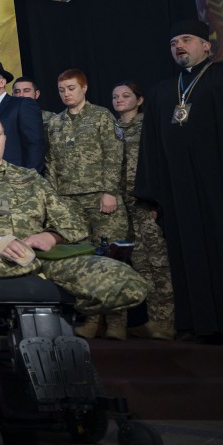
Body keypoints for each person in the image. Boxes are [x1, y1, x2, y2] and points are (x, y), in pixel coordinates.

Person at [0, 111, 147, 318]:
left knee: (128, 284)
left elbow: (74, 222)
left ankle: (70, 312)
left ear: (4, 139)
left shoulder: (30, 177)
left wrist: (50, 237)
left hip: (41, 258)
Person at [135, 20, 223, 343]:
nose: (179, 46)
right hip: (180, 195)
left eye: (186, 40)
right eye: (174, 42)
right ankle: (200, 325)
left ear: (206, 46)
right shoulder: (162, 92)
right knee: (189, 257)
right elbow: (151, 149)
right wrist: (155, 198)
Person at [45, 69, 129, 340]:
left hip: (99, 196)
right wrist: (55, 200)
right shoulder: (55, 123)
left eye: (71, 88)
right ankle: (91, 320)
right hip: (69, 200)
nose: (66, 94)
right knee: (83, 260)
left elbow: (114, 155)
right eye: (62, 90)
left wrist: (109, 191)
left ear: (84, 88)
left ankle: (117, 322)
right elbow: (51, 164)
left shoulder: (101, 116)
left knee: (111, 258)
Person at [112, 81, 174, 341]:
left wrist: (157, 200)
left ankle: (166, 321)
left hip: (144, 200)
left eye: (126, 96)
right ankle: (149, 320)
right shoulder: (110, 129)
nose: (119, 100)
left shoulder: (148, 125)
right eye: (115, 96)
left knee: (157, 260)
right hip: (120, 203)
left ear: (139, 100)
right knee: (137, 263)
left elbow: (160, 162)